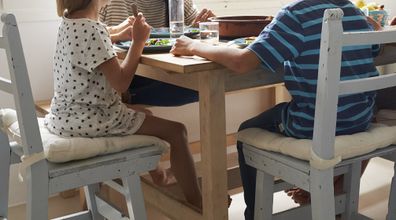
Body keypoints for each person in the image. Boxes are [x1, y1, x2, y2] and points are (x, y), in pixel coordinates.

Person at [171, 0, 381, 218]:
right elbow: (375, 46)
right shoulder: (353, 12)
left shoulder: (296, 14)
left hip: (314, 125)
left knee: (246, 132)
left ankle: (256, 214)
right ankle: (323, 193)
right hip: (360, 119)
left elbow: (242, 63)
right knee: (300, 110)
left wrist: (192, 46)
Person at [49, 0, 202, 208]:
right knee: (178, 132)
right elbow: (121, 83)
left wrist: (118, 32)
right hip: (93, 119)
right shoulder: (93, 29)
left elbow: (93, 38)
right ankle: (198, 203)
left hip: (66, 116)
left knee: (142, 112)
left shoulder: (70, 21)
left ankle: (159, 176)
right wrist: (138, 42)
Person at [99, 0, 215, 106]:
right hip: (128, 75)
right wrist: (117, 29)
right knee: (206, 88)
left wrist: (198, 27)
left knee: (209, 86)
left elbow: (196, 27)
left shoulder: (178, 2)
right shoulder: (109, 3)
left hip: (168, 69)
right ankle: (130, 97)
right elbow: (89, 31)